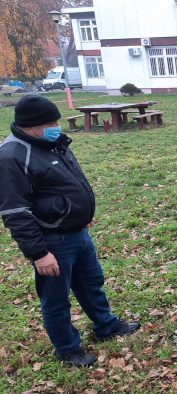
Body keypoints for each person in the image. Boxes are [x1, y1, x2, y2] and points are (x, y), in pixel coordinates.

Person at [0, 96, 140, 367]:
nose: (56, 127)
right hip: (52, 240)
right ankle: (66, 348)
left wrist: (81, 212)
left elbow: (67, 182)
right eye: (50, 123)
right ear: (30, 125)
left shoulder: (52, 143)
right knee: (56, 300)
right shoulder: (11, 156)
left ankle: (106, 325)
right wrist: (40, 254)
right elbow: (15, 212)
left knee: (91, 283)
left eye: (56, 121)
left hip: (77, 232)